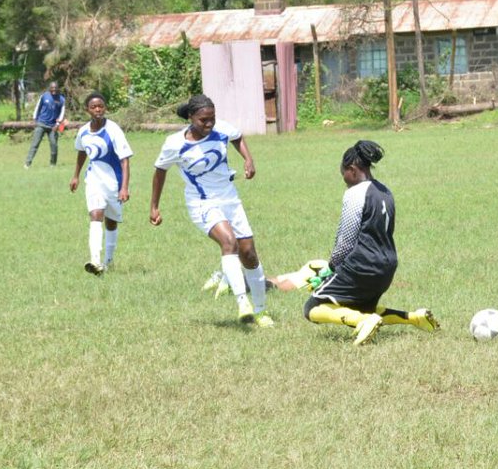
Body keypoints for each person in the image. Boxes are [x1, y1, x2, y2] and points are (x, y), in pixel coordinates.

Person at [150, 94, 273, 327]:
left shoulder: (222, 129)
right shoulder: (174, 144)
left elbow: (237, 137)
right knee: (229, 243)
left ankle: (260, 311)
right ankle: (242, 303)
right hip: (202, 203)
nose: (208, 124)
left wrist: (248, 159)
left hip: (230, 198)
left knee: (249, 254)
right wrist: (154, 206)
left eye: (212, 119)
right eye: (203, 120)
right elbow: (159, 172)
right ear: (190, 117)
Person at [303, 141, 438, 345]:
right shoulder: (385, 191)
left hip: (362, 265)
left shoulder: (355, 193)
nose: (344, 180)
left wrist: (329, 269)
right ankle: (415, 318)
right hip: (387, 266)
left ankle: (363, 321)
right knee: (360, 305)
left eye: (344, 174)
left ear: (353, 170)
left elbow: (345, 242)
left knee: (312, 307)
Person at [70, 92, 132, 276]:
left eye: (101, 106)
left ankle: (108, 261)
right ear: (87, 110)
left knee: (111, 222)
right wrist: (76, 176)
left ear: (105, 108)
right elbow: (81, 152)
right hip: (94, 180)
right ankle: (95, 260)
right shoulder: (83, 131)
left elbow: (125, 160)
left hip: (113, 182)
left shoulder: (113, 130)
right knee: (96, 214)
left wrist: (124, 187)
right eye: (93, 107)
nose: (98, 109)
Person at [24, 82, 67, 169]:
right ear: (49, 88)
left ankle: (53, 164)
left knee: (54, 145)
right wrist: (34, 118)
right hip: (41, 123)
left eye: (55, 88)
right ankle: (27, 163)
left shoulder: (61, 99)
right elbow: (37, 107)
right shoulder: (44, 96)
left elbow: (62, 112)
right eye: (52, 88)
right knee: (35, 144)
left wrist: (58, 124)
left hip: (53, 126)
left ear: (58, 88)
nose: (54, 90)